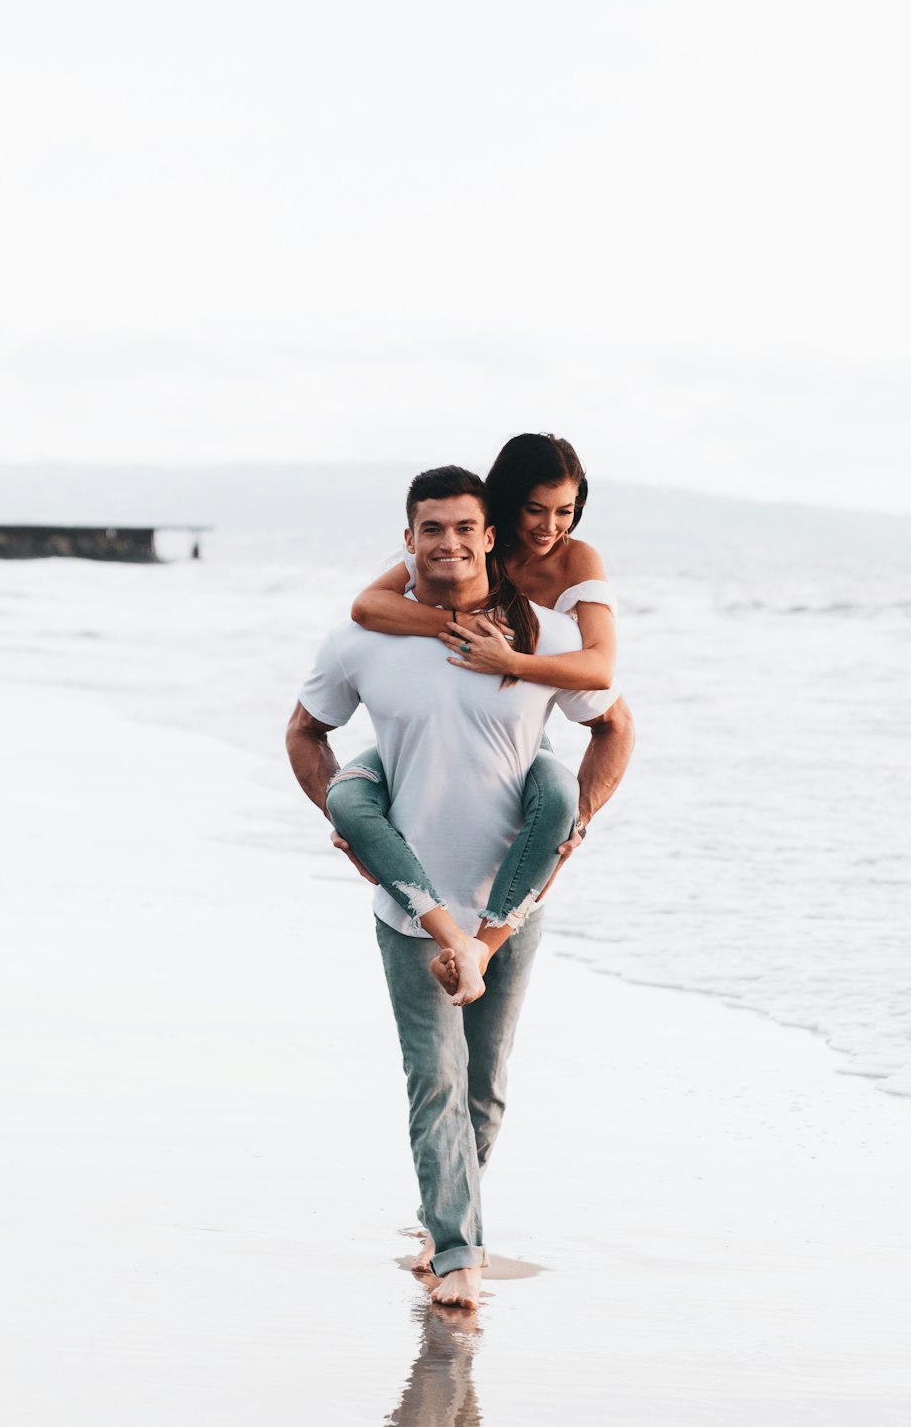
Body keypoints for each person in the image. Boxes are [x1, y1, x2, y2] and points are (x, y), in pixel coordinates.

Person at [286, 465, 634, 1308]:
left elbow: (614, 722)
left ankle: (449, 1209)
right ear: (408, 541)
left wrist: (577, 819)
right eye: (429, 529)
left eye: (463, 529)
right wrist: (345, 820)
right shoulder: (361, 642)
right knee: (432, 1080)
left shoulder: (542, 638)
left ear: (489, 539)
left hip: (509, 907)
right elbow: (305, 730)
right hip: (412, 909)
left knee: (483, 1086)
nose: (447, 543)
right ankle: (455, 1254)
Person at [327, 434, 616, 1004]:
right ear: (505, 505)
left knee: (557, 797)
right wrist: (460, 623)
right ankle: (419, 902)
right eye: (535, 509)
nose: (549, 526)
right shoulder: (465, 541)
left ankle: (483, 942)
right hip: (451, 708)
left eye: (565, 511)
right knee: (350, 795)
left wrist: (510, 660)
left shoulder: (575, 559)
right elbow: (367, 608)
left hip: (520, 713)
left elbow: (601, 667)